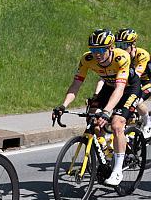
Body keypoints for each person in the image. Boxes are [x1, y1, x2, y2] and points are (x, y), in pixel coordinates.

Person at [52, 29, 141, 186]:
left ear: (111, 48)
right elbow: (76, 85)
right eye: (93, 50)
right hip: (108, 86)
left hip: (128, 88)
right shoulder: (87, 59)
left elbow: (120, 90)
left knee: (116, 124)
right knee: (92, 116)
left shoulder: (122, 58)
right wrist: (63, 105)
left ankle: (117, 170)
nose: (97, 54)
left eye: (100, 50)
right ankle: (104, 150)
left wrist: (106, 112)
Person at [115, 28, 151, 138]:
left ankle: (147, 123)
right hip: (132, 82)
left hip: (147, 81)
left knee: (137, 99)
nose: (121, 49)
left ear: (133, 45)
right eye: (118, 45)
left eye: (124, 45)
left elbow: (137, 75)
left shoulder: (142, 54)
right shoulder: (118, 56)